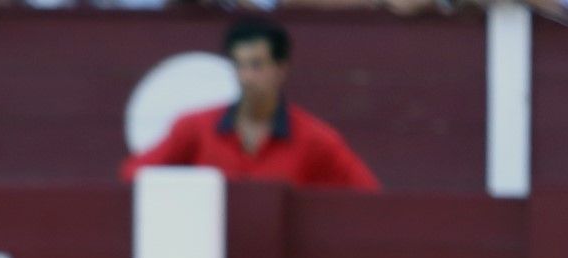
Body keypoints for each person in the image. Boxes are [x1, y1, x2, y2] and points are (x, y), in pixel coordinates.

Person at [120, 18, 380, 191]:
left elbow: (367, 195)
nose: (246, 77)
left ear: (281, 69)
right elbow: (133, 173)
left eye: (256, 65)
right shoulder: (195, 128)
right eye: (240, 65)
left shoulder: (315, 140)